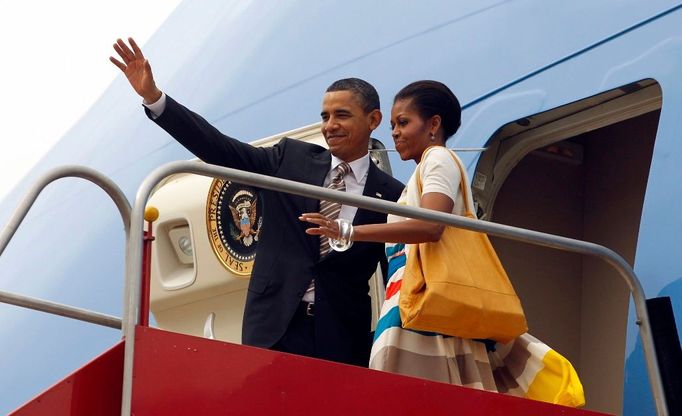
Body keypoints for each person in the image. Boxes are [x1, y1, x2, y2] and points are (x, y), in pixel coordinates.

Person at [110, 38, 404, 367]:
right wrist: (155, 99)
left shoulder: (392, 195)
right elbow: (219, 149)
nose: (329, 125)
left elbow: (395, 277)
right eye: (325, 116)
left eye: (342, 115)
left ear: (373, 119)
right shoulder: (291, 158)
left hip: (341, 338)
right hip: (273, 328)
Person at [302, 80, 585, 406]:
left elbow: (432, 225)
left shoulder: (437, 158)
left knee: (412, 400)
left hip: (424, 306)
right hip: (416, 306)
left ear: (433, 124)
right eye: (393, 124)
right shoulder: (425, 170)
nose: (395, 132)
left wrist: (350, 231)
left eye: (404, 123)